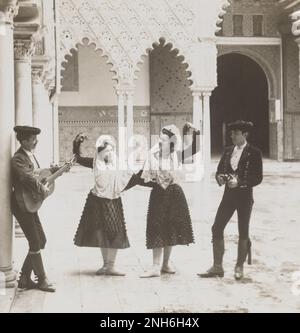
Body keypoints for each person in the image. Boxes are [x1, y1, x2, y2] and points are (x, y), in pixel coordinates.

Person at [198, 120, 263, 280]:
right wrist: (220, 177)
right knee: (216, 227)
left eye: (236, 133)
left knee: (243, 231)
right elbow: (220, 169)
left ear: (245, 134)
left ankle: (239, 267)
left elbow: (258, 177)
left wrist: (240, 182)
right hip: (228, 196)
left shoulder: (254, 152)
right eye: (231, 133)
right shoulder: (228, 151)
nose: (232, 136)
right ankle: (217, 266)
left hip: (244, 197)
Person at [139, 122, 201, 278]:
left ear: (171, 142)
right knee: (157, 228)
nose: (160, 141)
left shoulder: (177, 155)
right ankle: (155, 266)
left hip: (174, 195)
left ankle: (165, 263)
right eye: (159, 138)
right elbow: (143, 178)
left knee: (171, 229)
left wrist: (196, 133)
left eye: (164, 139)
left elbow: (195, 148)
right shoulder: (153, 156)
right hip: (159, 195)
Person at [73, 134, 138, 276]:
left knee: (114, 232)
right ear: (100, 152)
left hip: (113, 201)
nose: (109, 153)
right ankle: (105, 265)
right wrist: (77, 142)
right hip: (97, 201)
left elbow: (131, 178)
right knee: (101, 232)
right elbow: (78, 158)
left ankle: (111, 265)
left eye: (111, 150)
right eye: (106, 151)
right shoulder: (95, 162)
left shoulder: (119, 164)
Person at [12, 126, 59, 292]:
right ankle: (42, 280)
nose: (36, 141)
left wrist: (56, 170)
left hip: (29, 205)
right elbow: (26, 177)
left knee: (41, 240)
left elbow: (37, 174)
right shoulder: (18, 157)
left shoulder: (29, 156)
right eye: (33, 139)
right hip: (21, 205)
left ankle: (25, 278)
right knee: (35, 241)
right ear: (24, 140)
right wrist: (41, 188)